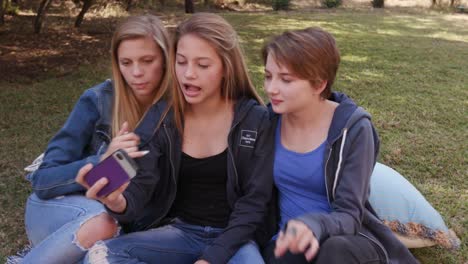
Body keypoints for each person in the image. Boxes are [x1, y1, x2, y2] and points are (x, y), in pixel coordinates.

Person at [76, 13, 274, 264]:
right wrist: (116, 200)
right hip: (180, 233)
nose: (188, 74)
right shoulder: (162, 115)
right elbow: (139, 183)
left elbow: (254, 203)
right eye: (181, 62)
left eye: (202, 65)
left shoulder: (255, 120)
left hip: (235, 241)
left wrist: (210, 260)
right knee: (99, 256)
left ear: (226, 68)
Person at [20, 15, 171, 264]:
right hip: (62, 211)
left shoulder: (176, 109)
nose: (136, 72)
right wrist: (103, 162)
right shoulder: (98, 100)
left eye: (147, 61)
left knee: (101, 255)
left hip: (124, 225)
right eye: (126, 62)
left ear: (165, 60)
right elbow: (43, 181)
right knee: (106, 221)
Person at [261, 28, 418, 263]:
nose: (271, 88)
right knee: (283, 255)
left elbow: (350, 215)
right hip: (287, 243)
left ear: (319, 84)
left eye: (286, 79)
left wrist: (312, 224)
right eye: (268, 76)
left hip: (345, 240)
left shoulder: (353, 129)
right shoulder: (267, 122)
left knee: (334, 251)